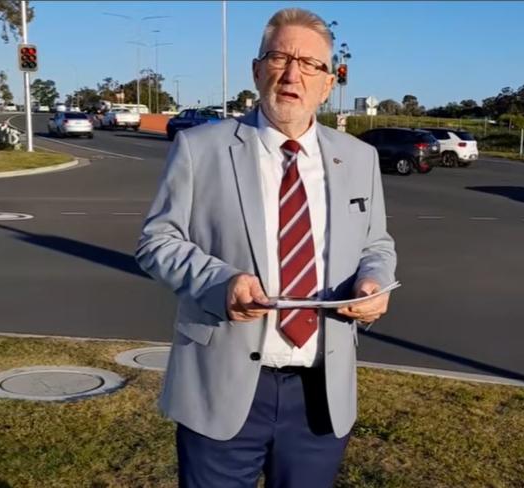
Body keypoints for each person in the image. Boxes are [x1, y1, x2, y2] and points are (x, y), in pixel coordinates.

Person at [136, 7, 396, 488]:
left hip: (319, 394)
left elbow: (376, 242)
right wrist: (220, 282)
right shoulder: (201, 148)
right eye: (279, 57)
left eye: (310, 64)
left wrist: (374, 281)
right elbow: (157, 241)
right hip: (221, 386)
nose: (292, 73)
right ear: (257, 70)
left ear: (327, 81)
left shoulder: (359, 158)